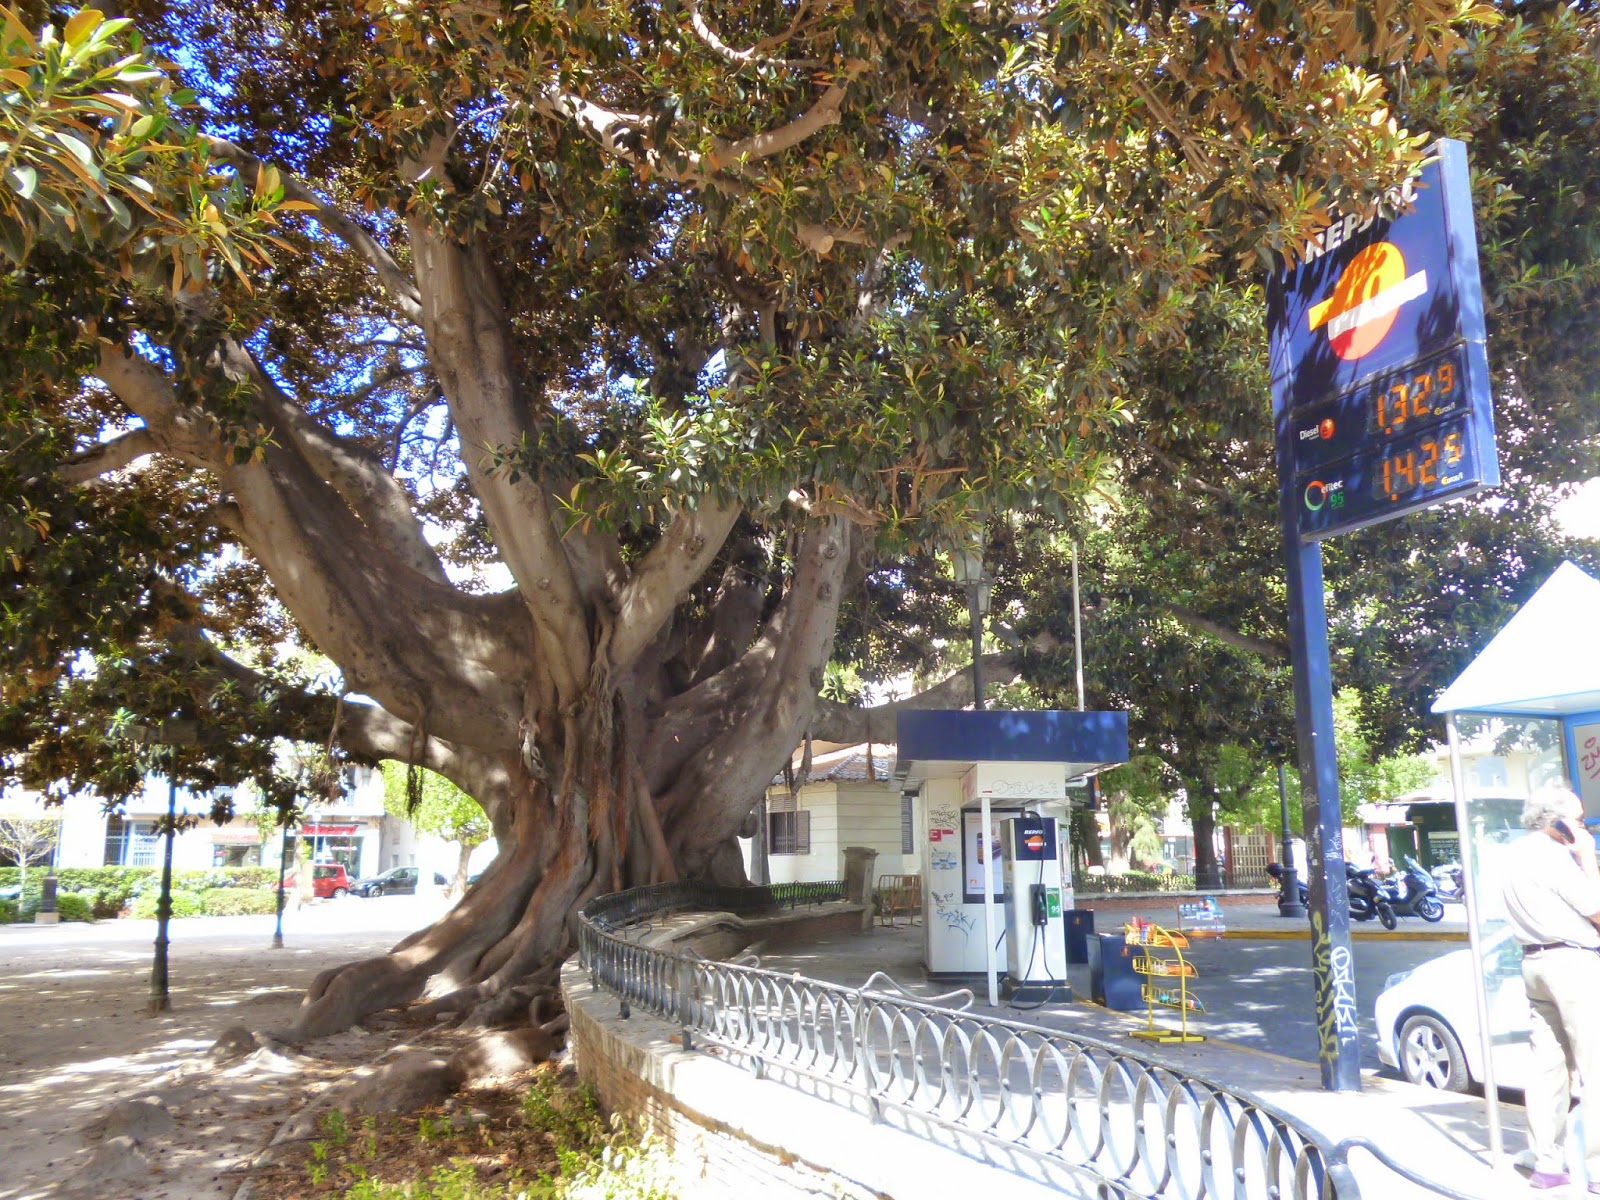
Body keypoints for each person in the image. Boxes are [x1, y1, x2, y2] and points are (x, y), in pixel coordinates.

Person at [1501, 784, 1600, 1192]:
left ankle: (1547, 1162)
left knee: (1548, 1067)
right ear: (1557, 822)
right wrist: (1587, 858)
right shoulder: (1555, 857)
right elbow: (1596, 908)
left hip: (1535, 963)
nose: (1582, 827)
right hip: (1573, 962)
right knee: (1594, 1065)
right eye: (1578, 820)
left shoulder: (1513, 854)